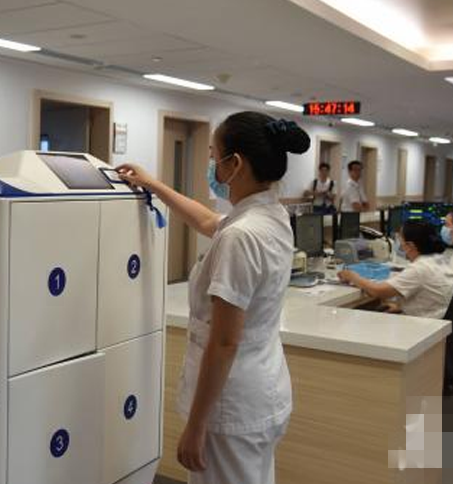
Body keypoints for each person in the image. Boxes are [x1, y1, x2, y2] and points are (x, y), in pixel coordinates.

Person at [117, 112, 310, 484]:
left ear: (234, 164)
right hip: (262, 389)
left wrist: (196, 425)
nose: (211, 167)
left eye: (213, 157)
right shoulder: (270, 216)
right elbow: (208, 221)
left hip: (230, 405)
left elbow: (224, 342)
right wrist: (152, 184)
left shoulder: (241, 236)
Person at [338, 220, 453, 319]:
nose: (399, 244)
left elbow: (378, 291)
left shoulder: (420, 268)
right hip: (437, 321)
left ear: (410, 246)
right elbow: (429, 298)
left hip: (424, 327)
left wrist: (352, 276)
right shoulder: (438, 260)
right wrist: (403, 307)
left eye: (401, 240)